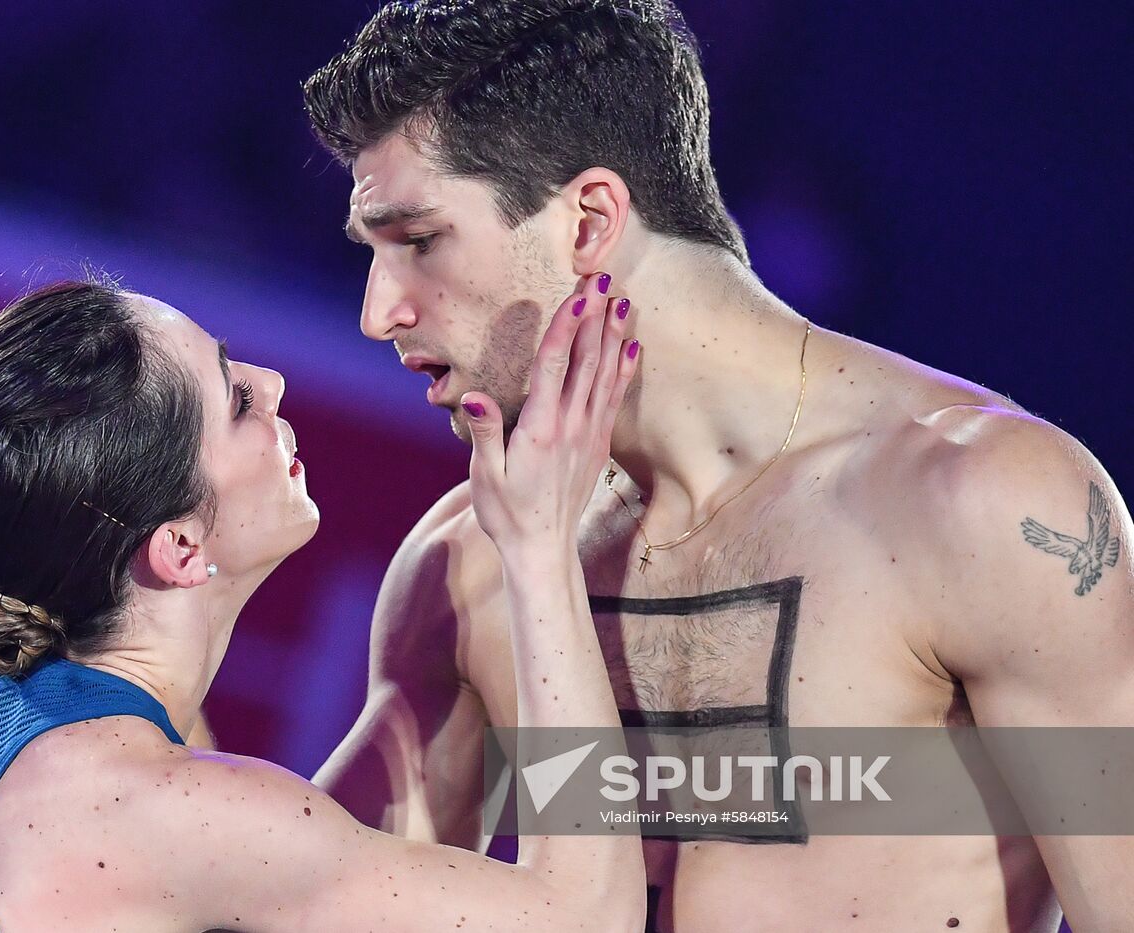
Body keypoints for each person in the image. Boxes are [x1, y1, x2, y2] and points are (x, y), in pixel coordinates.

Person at [302, 1, 1133, 930]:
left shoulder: (985, 501)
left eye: (418, 241)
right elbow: (286, 892)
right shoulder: (466, 561)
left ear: (588, 222)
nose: (380, 312)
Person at [0, 275, 647, 931]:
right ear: (179, 547)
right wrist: (536, 548)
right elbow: (587, 915)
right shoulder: (176, 812)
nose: (277, 384)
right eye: (238, 398)